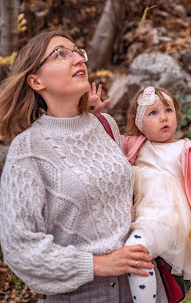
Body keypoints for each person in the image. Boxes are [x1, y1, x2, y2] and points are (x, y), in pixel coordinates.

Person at [0, 30, 154, 303]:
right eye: (61, 54)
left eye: (77, 51)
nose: (77, 59)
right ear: (36, 80)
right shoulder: (28, 150)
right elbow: (19, 245)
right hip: (82, 293)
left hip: (142, 282)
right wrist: (96, 265)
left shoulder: (104, 125)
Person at [121, 86, 191, 303]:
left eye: (168, 110)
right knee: (143, 260)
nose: (163, 118)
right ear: (138, 124)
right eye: (153, 113)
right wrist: (92, 112)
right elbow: (103, 142)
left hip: (170, 219)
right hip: (144, 219)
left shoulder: (186, 149)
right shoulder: (135, 147)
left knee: (135, 250)